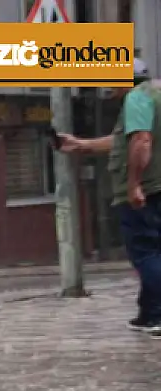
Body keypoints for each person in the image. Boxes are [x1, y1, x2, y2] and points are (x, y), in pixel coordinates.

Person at [58, 59, 161, 335]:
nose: (109, 89)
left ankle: (158, 315)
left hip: (149, 191)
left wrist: (134, 184)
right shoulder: (155, 94)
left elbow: (141, 140)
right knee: (154, 253)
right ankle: (149, 312)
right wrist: (82, 145)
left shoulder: (137, 99)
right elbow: (123, 141)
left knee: (146, 253)